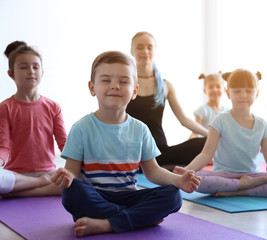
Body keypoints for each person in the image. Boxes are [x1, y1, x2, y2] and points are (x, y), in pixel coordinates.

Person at [51, 51, 201, 237]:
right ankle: (137, 219)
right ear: (92, 88)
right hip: (95, 196)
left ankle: (108, 223)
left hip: (129, 196)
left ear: (135, 91)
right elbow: (72, 171)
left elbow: (152, 172)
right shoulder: (81, 128)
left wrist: (177, 180)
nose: (115, 86)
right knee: (73, 191)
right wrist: (66, 176)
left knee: (174, 196)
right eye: (106, 80)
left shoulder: (141, 129)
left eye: (123, 81)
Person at [175, 69, 267, 198]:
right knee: (197, 179)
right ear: (228, 93)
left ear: (256, 93)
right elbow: (206, 154)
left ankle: (240, 190)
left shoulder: (262, 124)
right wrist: (187, 171)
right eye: (237, 91)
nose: (243, 95)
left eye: (249, 91)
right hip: (223, 175)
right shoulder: (219, 121)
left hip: (253, 175)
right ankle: (241, 185)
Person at [126, 31, 208, 170]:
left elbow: (184, 119)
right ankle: (159, 167)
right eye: (139, 47)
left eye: (149, 47)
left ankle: (157, 167)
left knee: (205, 143)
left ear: (154, 50)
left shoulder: (166, 85)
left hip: (159, 151)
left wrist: (213, 136)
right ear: (132, 51)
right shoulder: (125, 82)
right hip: (131, 152)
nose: (145, 51)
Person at [0, 41, 67, 198]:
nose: (31, 71)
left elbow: (64, 144)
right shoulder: (5, 108)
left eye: (35, 67)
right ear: (11, 74)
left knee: (82, 181)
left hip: (49, 173)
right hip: (17, 175)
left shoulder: (53, 107)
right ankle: (39, 185)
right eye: (23, 67)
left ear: (42, 72)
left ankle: (20, 194)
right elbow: (3, 146)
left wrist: (79, 166)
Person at [189, 72, 228, 139]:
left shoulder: (228, 112)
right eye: (210, 87)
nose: (215, 90)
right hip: (206, 143)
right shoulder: (202, 111)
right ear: (204, 90)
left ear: (224, 89)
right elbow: (195, 132)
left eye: (218, 87)